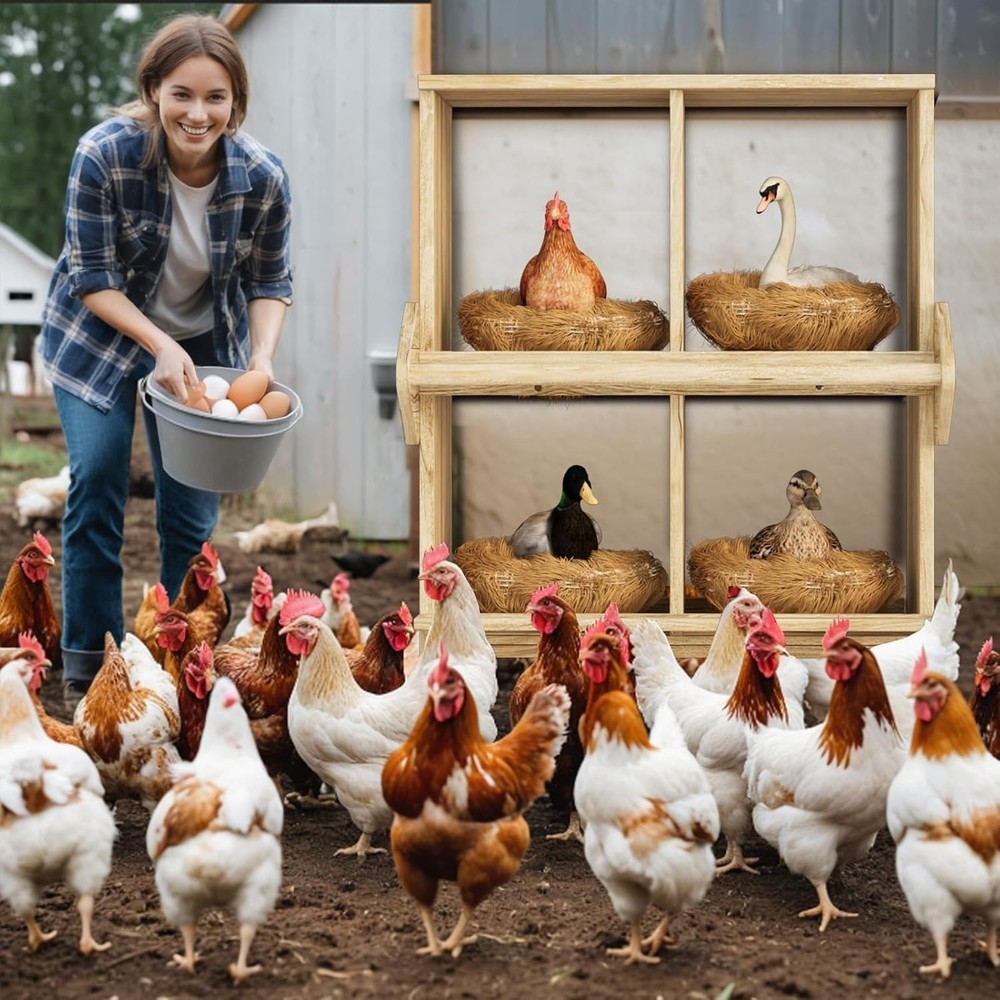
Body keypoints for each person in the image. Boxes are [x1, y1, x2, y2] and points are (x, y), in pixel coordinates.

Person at [40, 13, 293, 708]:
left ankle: (184, 665)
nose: (198, 113)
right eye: (182, 94)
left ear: (236, 103)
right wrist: (158, 342)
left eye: (216, 98)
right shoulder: (105, 155)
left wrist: (261, 360)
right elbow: (93, 280)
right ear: (154, 90)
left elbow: (271, 282)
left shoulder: (264, 177)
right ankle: (90, 670)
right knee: (97, 481)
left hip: (208, 343)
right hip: (102, 336)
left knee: (190, 515)